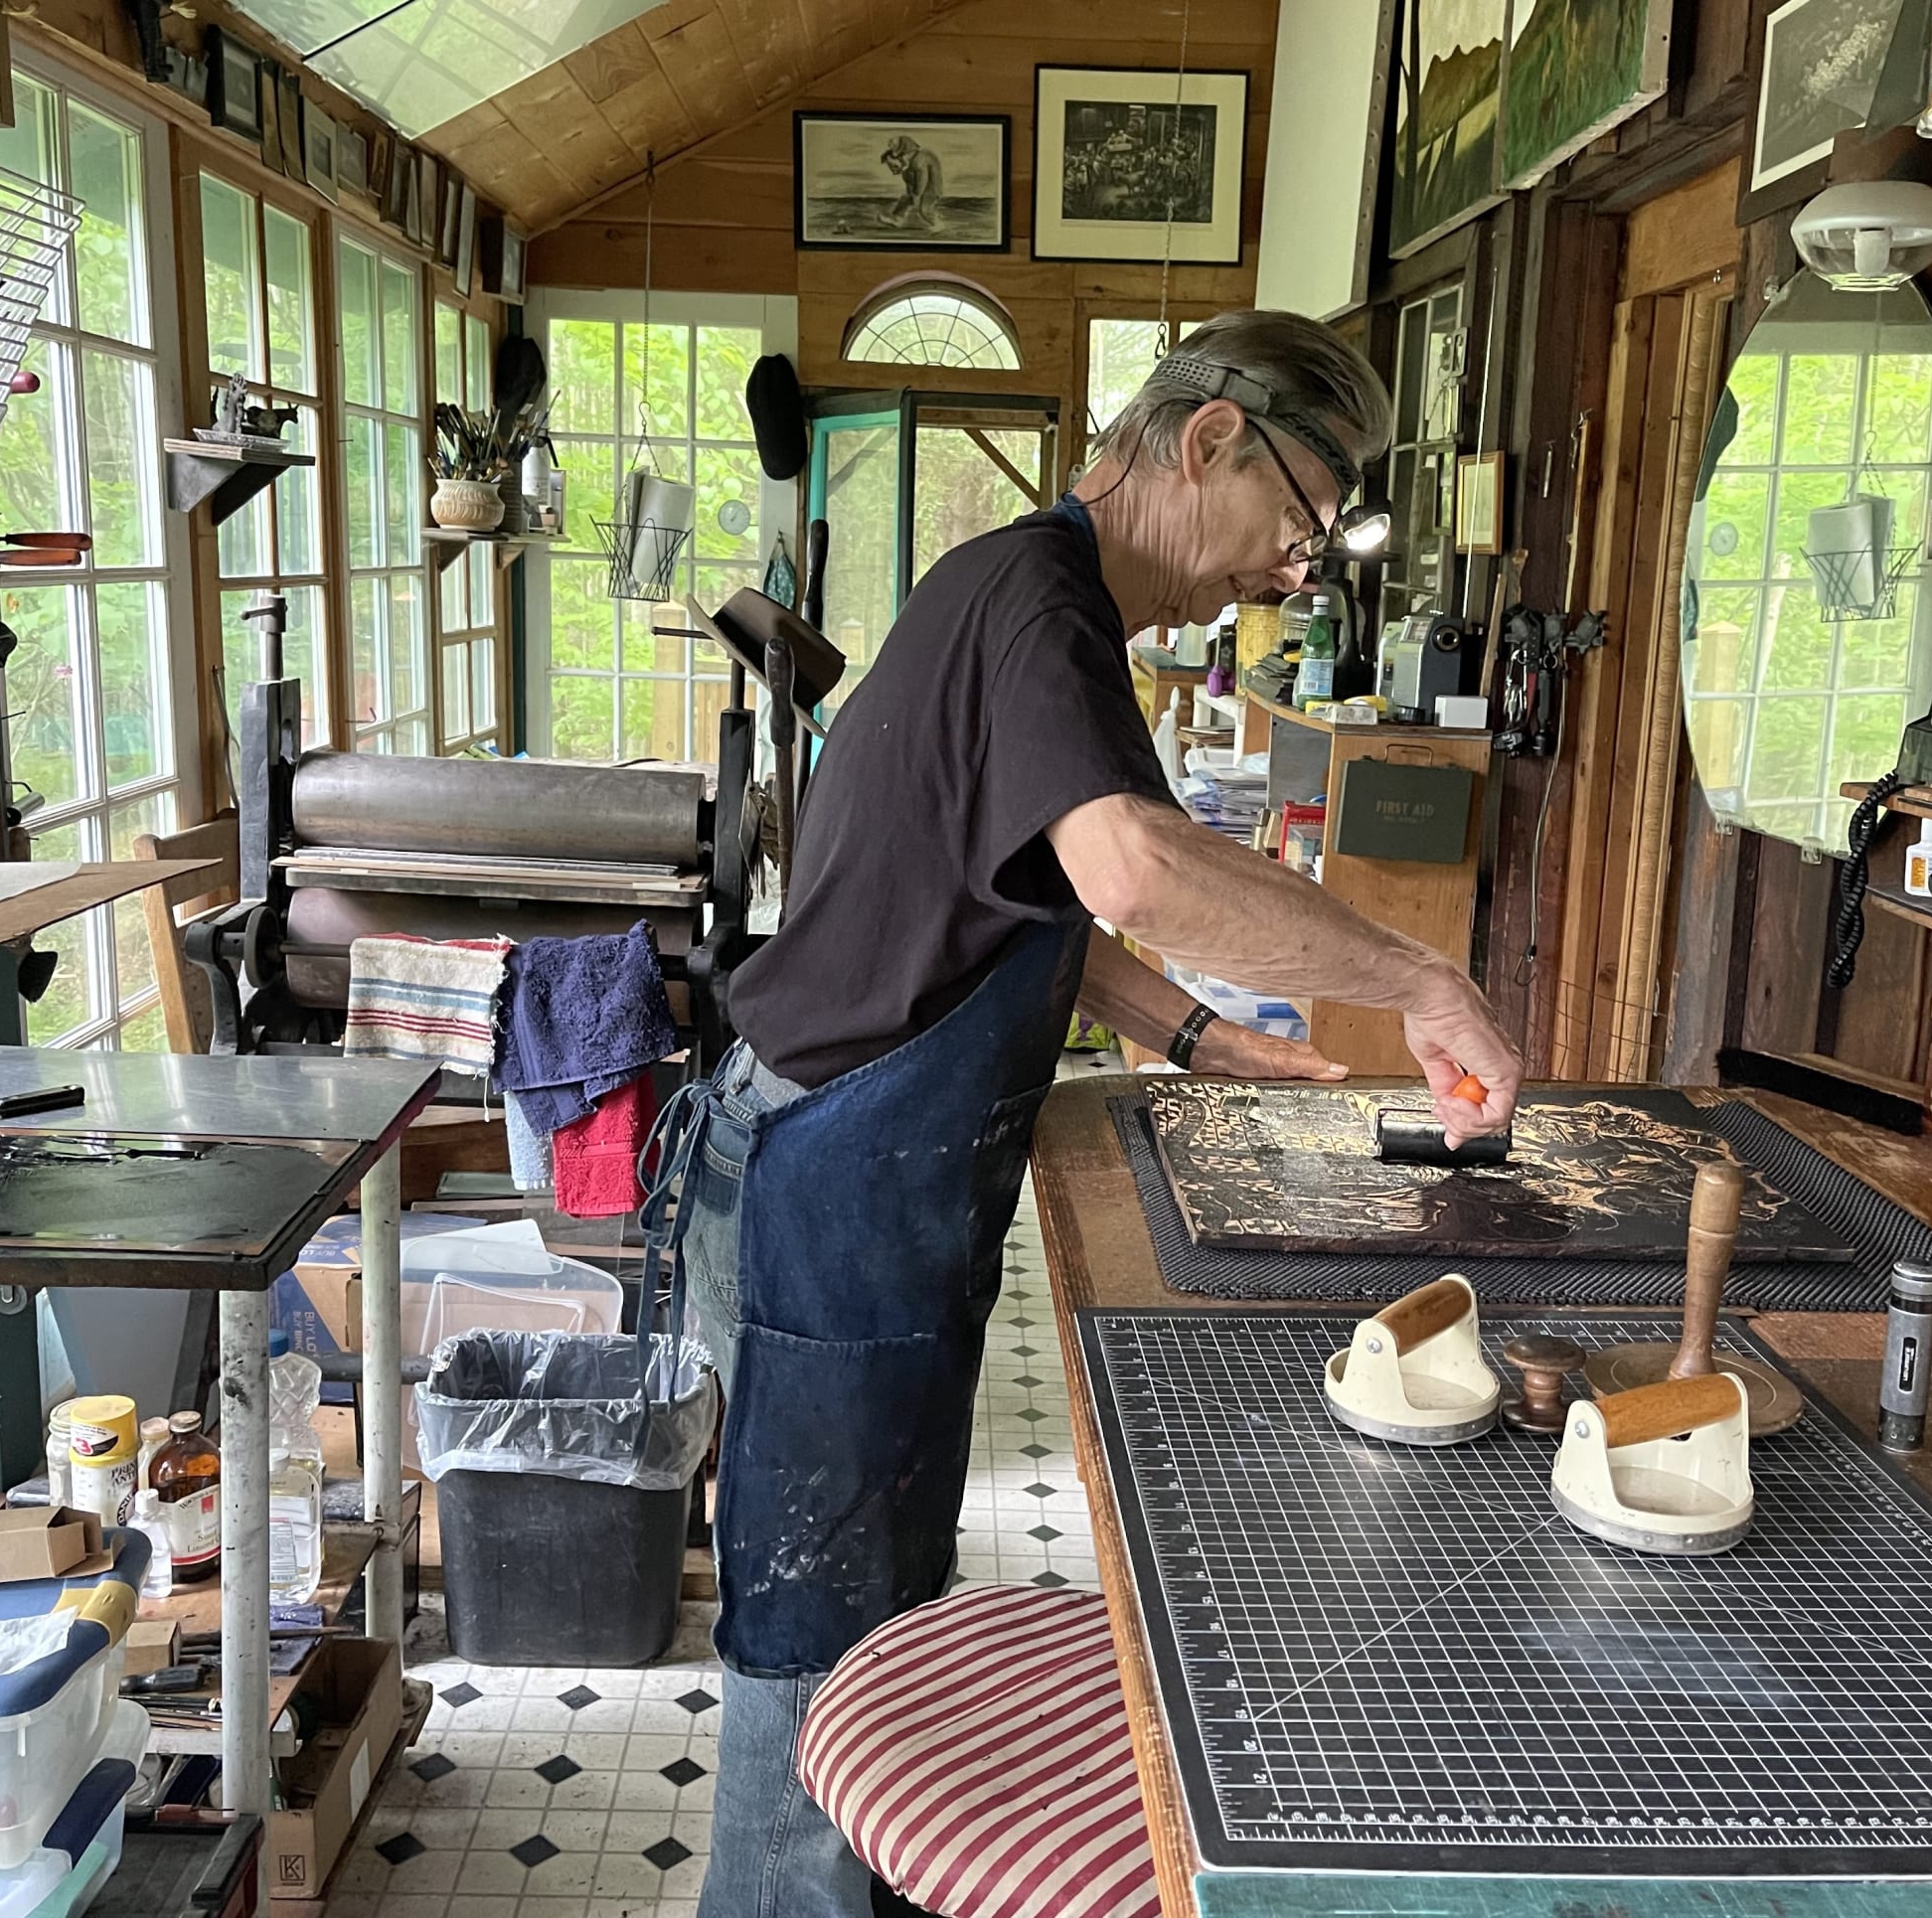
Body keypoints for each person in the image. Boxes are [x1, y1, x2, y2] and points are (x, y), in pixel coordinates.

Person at [639, 308, 1524, 1918]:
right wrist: (1412, 979)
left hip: (856, 1170)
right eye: (1305, 520)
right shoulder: (1037, 601)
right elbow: (1126, 868)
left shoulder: (1025, 604)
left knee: (870, 1605)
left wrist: (1190, 1032)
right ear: (1206, 445)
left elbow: (1028, 899)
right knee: (813, 1631)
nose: (1296, 569)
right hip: (831, 1176)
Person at [879, 134, 943, 233]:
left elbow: (922, 179)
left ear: (903, 155)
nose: (893, 170)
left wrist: (917, 194)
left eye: (894, 166)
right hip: (918, 188)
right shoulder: (907, 167)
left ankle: (938, 224)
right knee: (905, 200)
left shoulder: (918, 160)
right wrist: (911, 195)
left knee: (925, 210)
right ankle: (897, 219)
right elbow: (910, 182)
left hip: (931, 188)